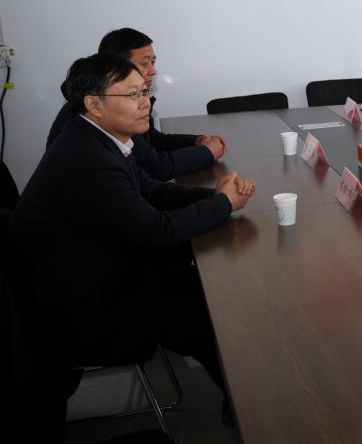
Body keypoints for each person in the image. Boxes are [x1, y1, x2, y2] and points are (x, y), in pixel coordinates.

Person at [12, 53, 255, 394]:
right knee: (216, 313)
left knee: (211, 283)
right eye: (132, 95)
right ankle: (247, 404)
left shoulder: (98, 137)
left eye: (144, 92)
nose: (145, 104)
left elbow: (150, 189)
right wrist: (223, 204)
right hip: (87, 308)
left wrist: (215, 197)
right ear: (94, 104)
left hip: (105, 268)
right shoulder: (88, 158)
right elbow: (159, 231)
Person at [46, 28, 226, 180]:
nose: (153, 71)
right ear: (119, 67)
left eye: (153, 62)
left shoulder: (120, 100)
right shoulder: (99, 111)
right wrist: (207, 152)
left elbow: (152, 140)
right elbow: (155, 167)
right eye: (145, 63)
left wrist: (195, 141)